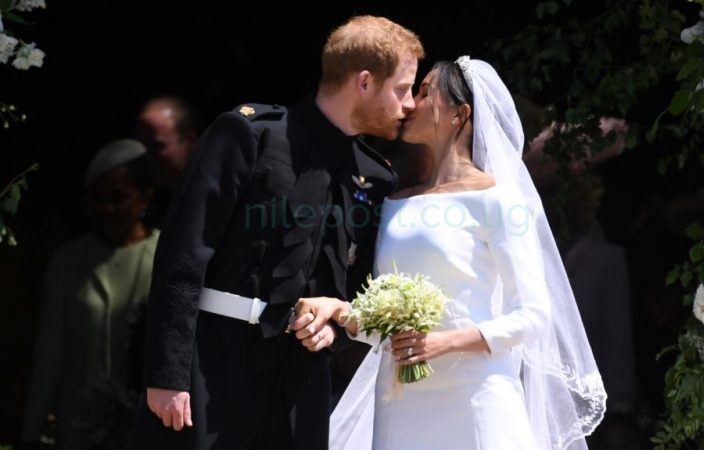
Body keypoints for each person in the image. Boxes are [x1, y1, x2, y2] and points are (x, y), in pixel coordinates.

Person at [126, 15, 424, 450]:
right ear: (364, 82)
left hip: (300, 385)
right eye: (402, 89)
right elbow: (183, 256)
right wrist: (167, 375)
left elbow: (359, 289)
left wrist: (334, 332)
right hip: (212, 364)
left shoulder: (375, 178)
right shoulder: (250, 136)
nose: (410, 104)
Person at [292, 57, 607, 449]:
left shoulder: (498, 200)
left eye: (425, 93)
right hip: (399, 400)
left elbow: (533, 315)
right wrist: (339, 310)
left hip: (475, 395)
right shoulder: (394, 203)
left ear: (460, 114)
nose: (411, 103)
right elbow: (388, 328)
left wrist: (444, 342)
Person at [20, 139, 159, 450]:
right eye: (97, 199)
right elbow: (50, 354)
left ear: (145, 196)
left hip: (145, 428)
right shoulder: (68, 261)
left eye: (118, 197)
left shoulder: (165, 256)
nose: (107, 208)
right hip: (78, 430)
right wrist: (30, 433)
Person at [135, 95, 201, 228]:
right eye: (141, 147)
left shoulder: (215, 197)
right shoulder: (141, 207)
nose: (146, 156)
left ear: (190, 140)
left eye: (157, 146)